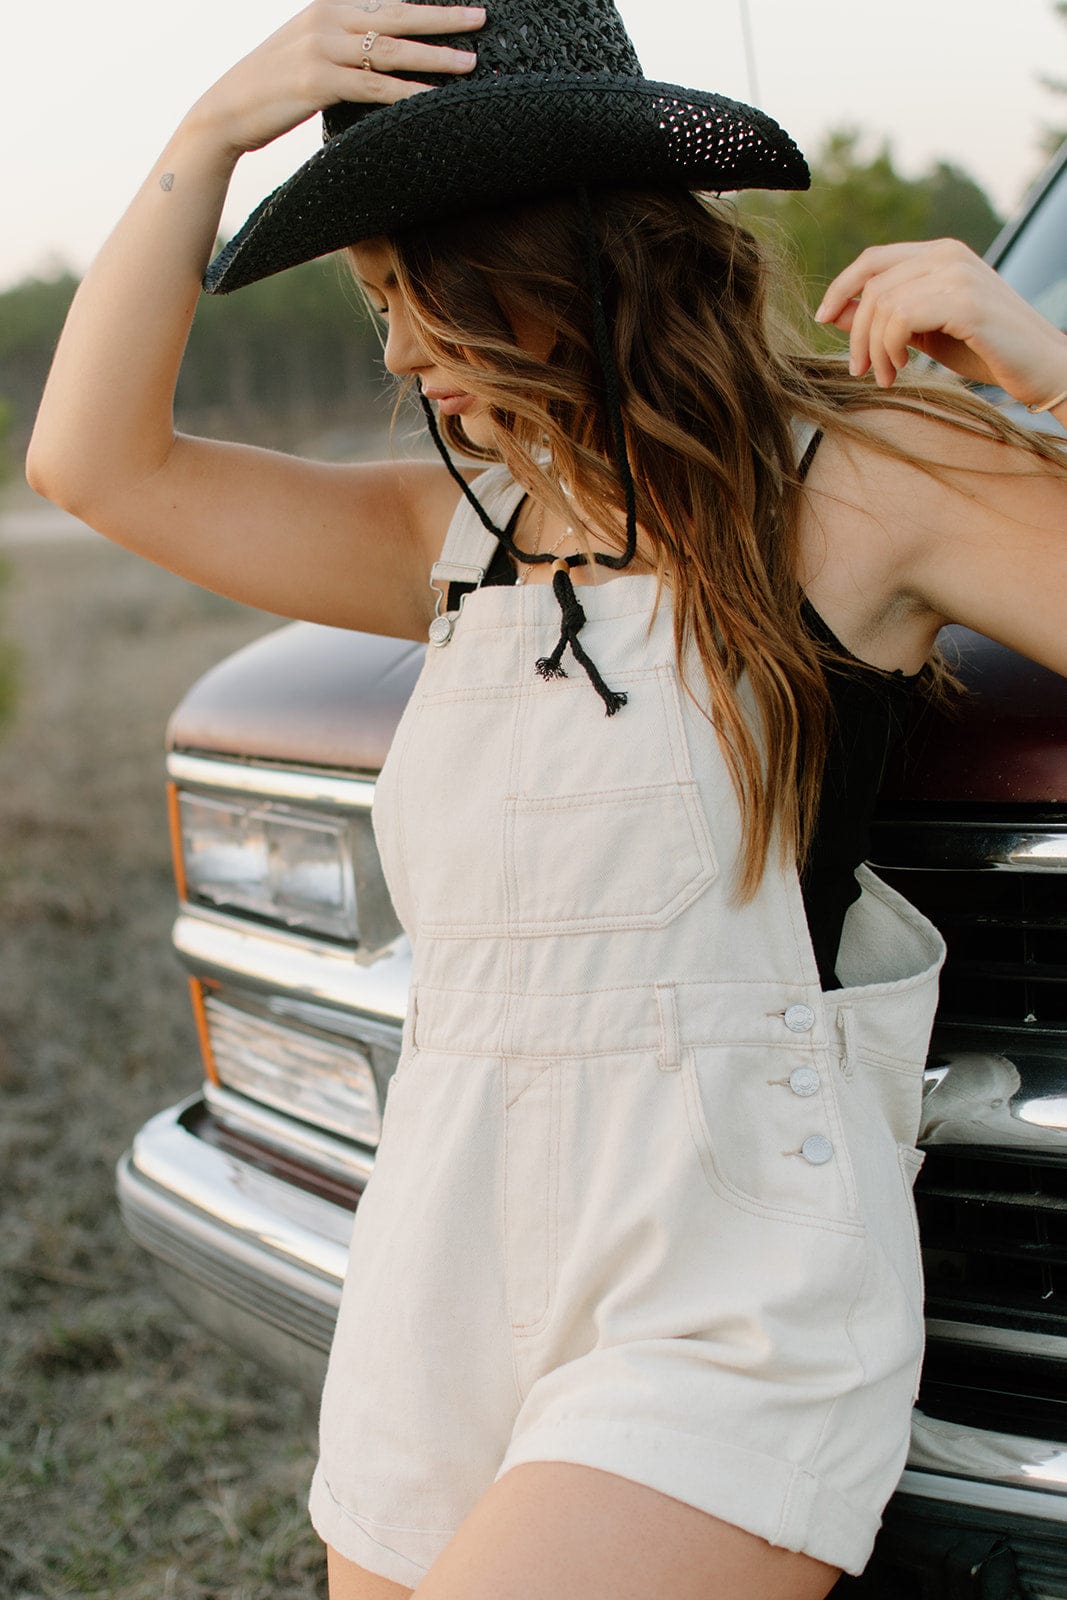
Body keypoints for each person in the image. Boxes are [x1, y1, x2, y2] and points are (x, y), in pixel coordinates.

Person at [27, 2, 1067, 1597]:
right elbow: (97, 464)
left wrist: (1051, 378)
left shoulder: (863, 480)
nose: (392, 352)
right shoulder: (451, 539)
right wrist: (214, 132)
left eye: (410, 291)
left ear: (554, 254)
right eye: (370, 299)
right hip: (437, 1249)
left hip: (721, 1274)